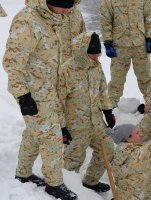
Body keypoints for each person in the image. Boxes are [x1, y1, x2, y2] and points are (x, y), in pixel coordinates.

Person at [2, 0, 77, 199]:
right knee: (51, 137)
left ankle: (23, 173)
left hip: (48, 89)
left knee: (33, 133)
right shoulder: (28, 20)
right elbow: (12, 62)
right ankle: (54, 183)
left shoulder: (53, 18)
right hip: (32, 92)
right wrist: (23, 96)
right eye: (65, 5)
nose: (67, 10)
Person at [58, 32, 115, 193]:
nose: (96, 58)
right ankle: (70, 189)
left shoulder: (96, 66)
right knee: (73, 160)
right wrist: (62, 127)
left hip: (96, 122)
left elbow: (102, 89)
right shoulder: (66, 70)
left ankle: (90, 181)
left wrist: (107, 110)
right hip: (75, 125)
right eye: (93, 54)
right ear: (82, 51)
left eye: (98, 54)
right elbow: (58, 102)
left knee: (108, 150)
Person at [99, 0, 151, 108]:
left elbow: (149, 17)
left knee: (146, 77)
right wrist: (108, 42)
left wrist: (150, 38)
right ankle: (111, 107)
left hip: (140, 45)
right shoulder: (108, 1)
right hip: (119, 46)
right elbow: (105, 21)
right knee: (116, 79)